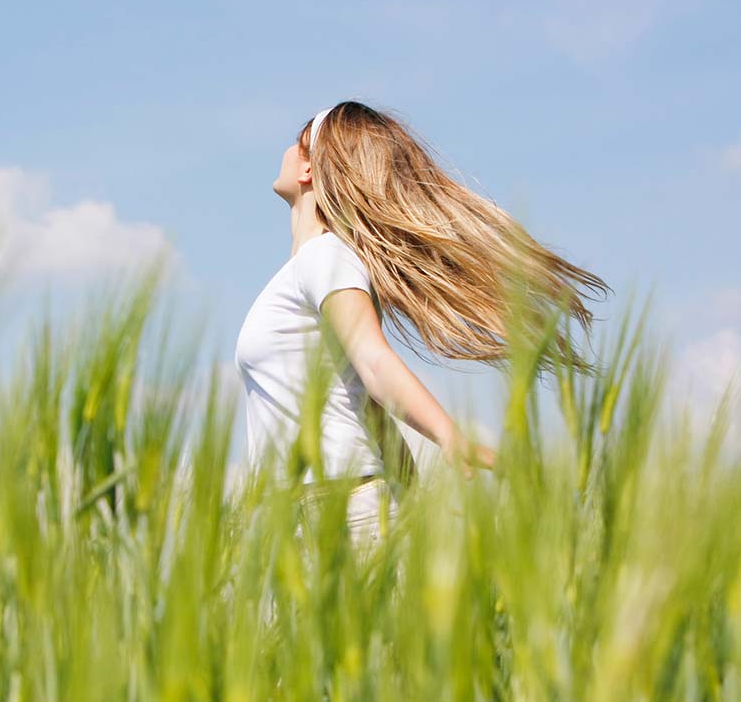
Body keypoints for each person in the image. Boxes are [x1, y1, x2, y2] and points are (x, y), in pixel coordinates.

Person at [234, 100, 608, 547]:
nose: (284, 149)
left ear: (309, 170)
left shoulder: (325, 256)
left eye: (296, 143)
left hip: (333, 511)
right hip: (298, 515)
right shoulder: (310, 269)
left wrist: (450, 438)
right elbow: (368, 406)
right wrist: (412, 501)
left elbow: (373, 359)